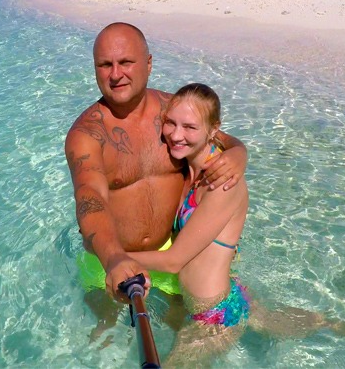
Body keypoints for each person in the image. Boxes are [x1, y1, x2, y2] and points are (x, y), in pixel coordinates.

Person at [128, 83, 345, 365]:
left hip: (215, 317)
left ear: (213, 130)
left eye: (189, 127)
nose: (176, 135)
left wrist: (113, 255)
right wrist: (239, 149)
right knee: (270, 321)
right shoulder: (192, 168)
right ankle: (328, 324)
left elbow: (174, 261)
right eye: (171, 123)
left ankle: (337, 327)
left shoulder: (223, 183)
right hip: (226, 293)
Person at [65, 23, 249, 315]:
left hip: (170, 255)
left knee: (180, 328)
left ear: (148, 64)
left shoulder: (170, 112)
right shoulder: (87, 134)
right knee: (105, 337)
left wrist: (239, 152)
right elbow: (90, 197)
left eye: (126, 62)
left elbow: (213, 135)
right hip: (109, 260)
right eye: (105, 65)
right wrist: (113, 258)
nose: (116, 74)